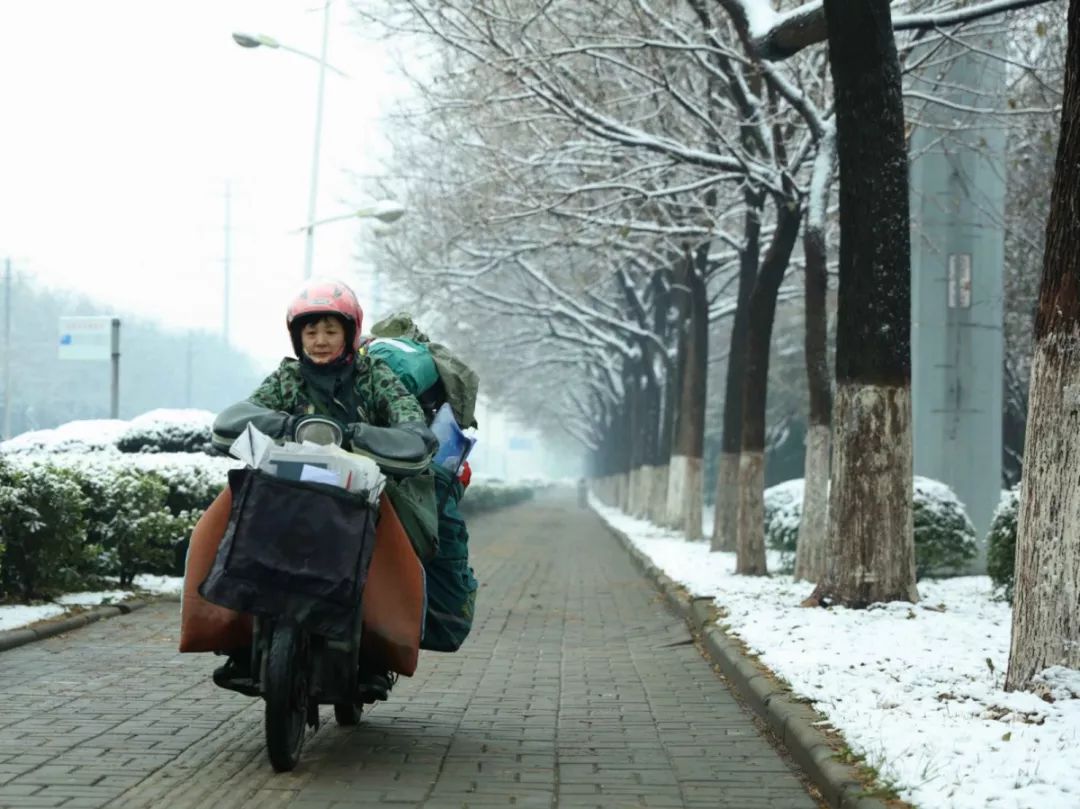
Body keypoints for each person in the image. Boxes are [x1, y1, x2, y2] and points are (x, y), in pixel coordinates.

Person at [210, 278, 437, 700]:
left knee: (392, 546)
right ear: (297, 337)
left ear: (350, 334)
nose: (320, 341)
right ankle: (236, 638)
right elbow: (242, 414)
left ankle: (375, 654)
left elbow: (412, 427)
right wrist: (288, 425)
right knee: (232, 520)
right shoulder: (287, 377)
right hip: (290, 490)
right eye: (310, 332)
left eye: (331, 330)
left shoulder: (375, 376)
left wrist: (358, 435)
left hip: (360, 493)